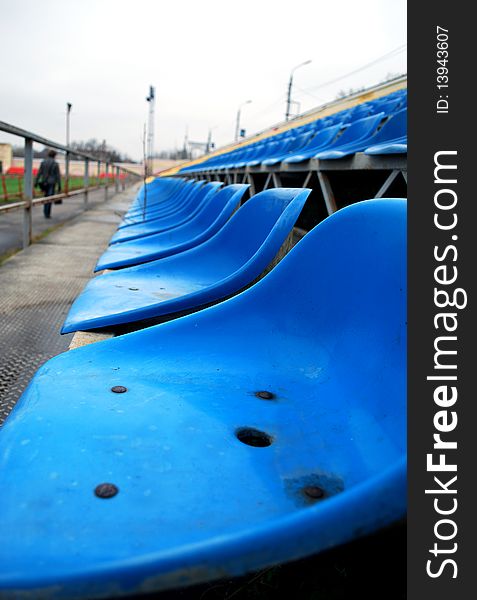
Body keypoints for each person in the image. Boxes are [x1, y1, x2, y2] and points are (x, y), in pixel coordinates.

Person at [34, 149, 62, 218]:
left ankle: (45, 211)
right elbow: (57, 175)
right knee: (50, 198)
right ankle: (47, 213)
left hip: (44, 182)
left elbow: (39, 173)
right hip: (52, 183)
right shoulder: (55, 164)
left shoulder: (43, 162)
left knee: (45, 197)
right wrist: (59, 185)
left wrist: (36, 182)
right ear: (54, 155)